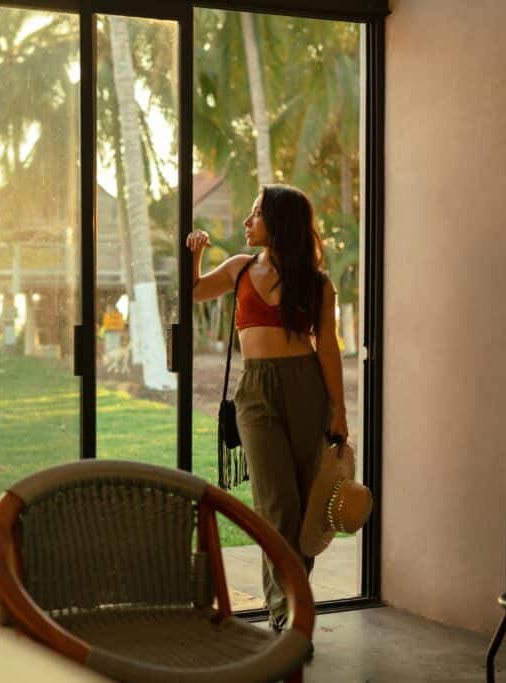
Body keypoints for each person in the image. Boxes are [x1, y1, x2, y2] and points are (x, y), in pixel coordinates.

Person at [186, 183, 348, 633]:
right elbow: (193, 291)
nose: (247, 221)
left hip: (306, 389)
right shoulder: (239, 269)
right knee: (276, 506)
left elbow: (328, 349)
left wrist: (339, 411)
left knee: (304, 510)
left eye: (256, 213)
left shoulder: (317, 284)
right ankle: (287, 614)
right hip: (255, 392)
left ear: (279, 222)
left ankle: (296, 605)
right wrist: (194, 254)